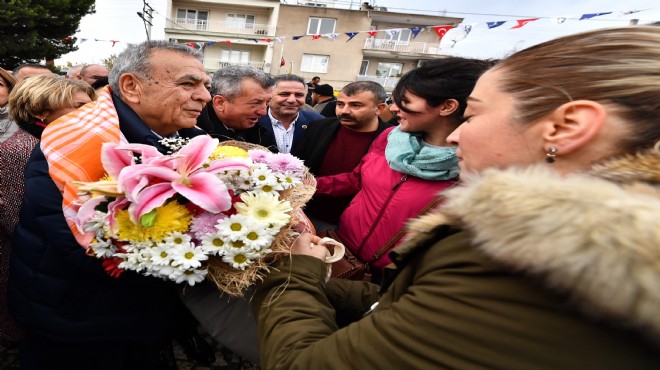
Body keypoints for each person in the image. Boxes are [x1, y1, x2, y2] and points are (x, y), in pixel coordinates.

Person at [251, 26, 660, 369]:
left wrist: (297, 272)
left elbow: (301, 361)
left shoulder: (509, 249)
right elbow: (405, 302)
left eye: (474, 115)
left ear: (568, 127)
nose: (459, 135)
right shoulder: (395, 144)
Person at [8, 40, 212, 370]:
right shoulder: (74, 143)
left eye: (205, 85)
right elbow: (88, 248)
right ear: (131, 86)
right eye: (189, 83)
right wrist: (206, 260)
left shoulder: (183, 137)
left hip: (135, 317)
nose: (203, 96)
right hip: (76, 321)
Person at [314, 58, 491, 280]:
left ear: (447, 106)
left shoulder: (476, 166)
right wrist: (306, 183)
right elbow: (356, 179)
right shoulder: (390, 138)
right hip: (341, 249)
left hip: (393, 276)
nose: (393, 107)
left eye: (405, 101)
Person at [298, 81, 392, 229]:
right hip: (306, 213)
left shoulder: (391, 140)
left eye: (356, 105)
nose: (344, 111)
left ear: (379, 108)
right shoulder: (319, 127)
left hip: (354, 223)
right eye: (340, 104)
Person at [196, 65, 277, 151]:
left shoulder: (263, 134)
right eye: (256, 103)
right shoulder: (190, 133)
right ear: (220, 103)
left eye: (267, 103)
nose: (263, 112)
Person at [257, 74, 323, 154]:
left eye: (299, 95)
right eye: (284, 94)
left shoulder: (318, 122)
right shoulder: (253, 120)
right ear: (269, 96)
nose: (292, 100)